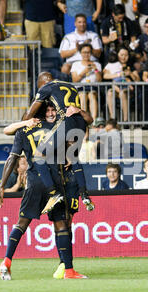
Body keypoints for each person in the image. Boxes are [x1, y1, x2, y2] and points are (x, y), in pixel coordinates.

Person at [0, 108, 87, 280]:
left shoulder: (23, 131)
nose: (51, 113)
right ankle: (69, 271)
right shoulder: (56, 127)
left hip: (34, 182)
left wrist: (2, 185)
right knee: (61, 224)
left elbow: (12, 157)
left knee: (21, 224)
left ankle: (6, 261)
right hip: (54, 181)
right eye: (50, 110)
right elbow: (72, 146)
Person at [23, 72, 95, 214]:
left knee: (39, 155)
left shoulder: (46, 88)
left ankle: (53, 193)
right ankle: (85, 194)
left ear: (42, 82)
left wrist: (25, 122)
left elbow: (29, 114)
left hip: (66, 122)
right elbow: (85, 117)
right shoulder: (71, 86)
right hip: (80, 123)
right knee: (72, 158)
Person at [103, 46, 140, 127]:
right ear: (118, 55)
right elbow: (105, 75)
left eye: (126, 55)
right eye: (121, 55)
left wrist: (130, 73)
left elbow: (137, 80)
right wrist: (118, 74)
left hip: (128, 90)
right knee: (109, 92)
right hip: (115, 88)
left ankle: (126, 120)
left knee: (122, 93)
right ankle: (113, 118)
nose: (123, 57)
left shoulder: (131, 66)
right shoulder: (113, 65)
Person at [70, 43, 102, 120]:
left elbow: (100, 80)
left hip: (93, 88)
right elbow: (74, 80)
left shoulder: (97, 64)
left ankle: (93, 120)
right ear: (80, 53)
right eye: (84, 52)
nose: (86, 54)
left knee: (92, 95)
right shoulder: (75, 64)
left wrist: (96, 70)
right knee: (83, 95)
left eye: (88, 52)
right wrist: (83, 72)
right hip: (81, 88)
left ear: (91, 53)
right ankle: (84, 120)